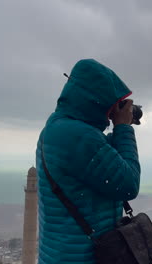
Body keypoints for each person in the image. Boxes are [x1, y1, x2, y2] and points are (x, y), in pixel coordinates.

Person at [36, 59, 141, 264]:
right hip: (81, 256)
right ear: (97, 100)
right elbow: (129, 185)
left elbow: (99, 161)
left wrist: (118, 131)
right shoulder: (77, 135)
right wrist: (123, 128)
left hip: (64, 253)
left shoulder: (59, 128)